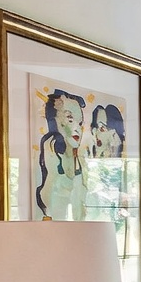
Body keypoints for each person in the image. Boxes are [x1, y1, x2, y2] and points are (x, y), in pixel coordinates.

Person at [35, 89, 89, 220]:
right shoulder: (49, 152)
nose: (77, 128)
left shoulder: (80, 160)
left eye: (80, 123)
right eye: (70, 119)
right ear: (55, 122)